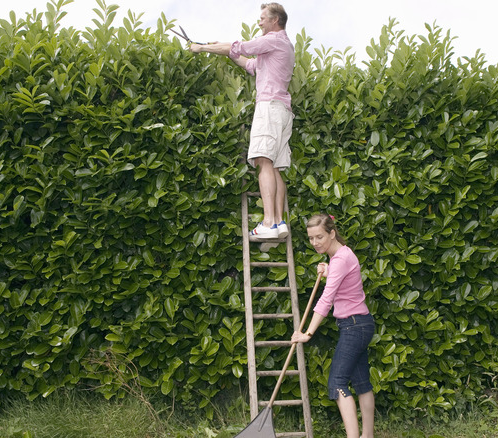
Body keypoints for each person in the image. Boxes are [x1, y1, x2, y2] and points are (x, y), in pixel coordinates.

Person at [190, 3, 294, 248]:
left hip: (269, 107)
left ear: (275, 20)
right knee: (276, 167)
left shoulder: (272, 40)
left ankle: (268, 222)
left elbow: (239, 46)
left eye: (262, 18)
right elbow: (248, 63)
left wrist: (203, 47)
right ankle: (278, 222)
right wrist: (225, 50)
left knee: (263, 161)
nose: (259, 22)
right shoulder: (281, 47)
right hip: (282, 111)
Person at [291, 214, 376, 438]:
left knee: (337, 383)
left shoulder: (339, 259)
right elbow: (346, 283)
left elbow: (326, 300)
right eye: (310, 238)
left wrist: (307, 333)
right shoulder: (342, 255)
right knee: (362, 383)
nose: (315, 242)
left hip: (354, 326)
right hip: (361, 324)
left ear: (331, 233)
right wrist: (328, 273)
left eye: (319, 236)